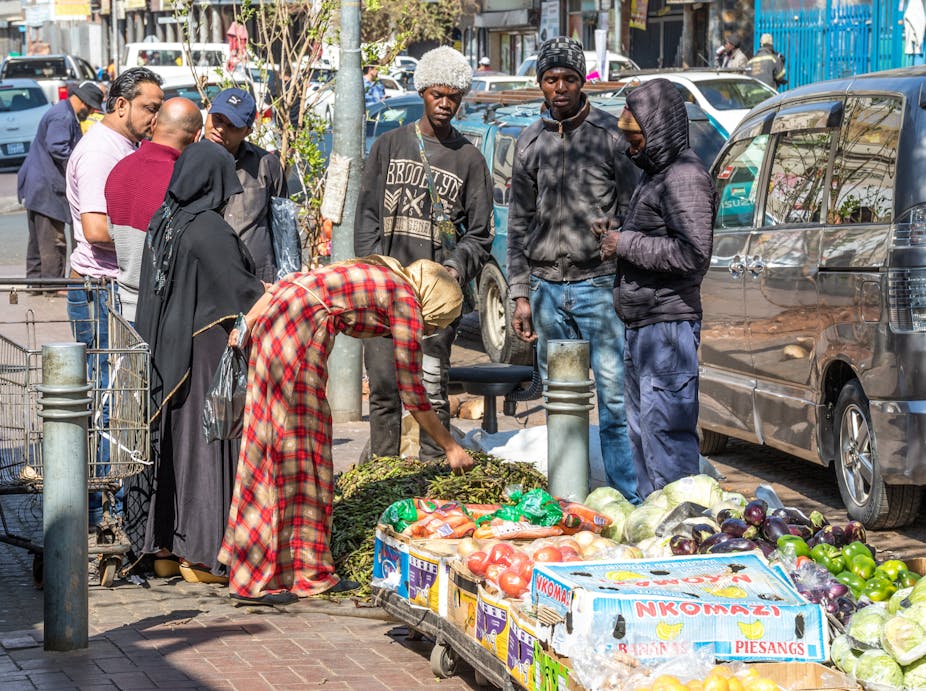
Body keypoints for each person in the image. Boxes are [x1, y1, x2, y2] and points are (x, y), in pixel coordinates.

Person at [219, 256, 473, 605]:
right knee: (298, 453)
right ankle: (281, 578)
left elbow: (290, 281)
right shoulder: (405, 299)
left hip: (277, 322)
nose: (428, 328)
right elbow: (412, 391)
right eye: (433, 323)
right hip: (297, 334)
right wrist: (450, 446)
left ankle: (263, 567)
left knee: (268, 445)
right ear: (432, 302)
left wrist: (247, 323)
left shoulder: (383, 272)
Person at [506, 36, 640, 503]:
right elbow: (518, 224)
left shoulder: (610, 137)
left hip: (598, 287)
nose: (559, 87)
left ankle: (627, 498)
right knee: (562, 403)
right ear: (540, 83)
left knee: (614, 398)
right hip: (544, 290)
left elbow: (635, 209)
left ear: (583, 82)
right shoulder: (529, 142)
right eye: (550, 79)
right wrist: (519, 293)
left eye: (568, 79)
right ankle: (568, 497)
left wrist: (614, 236)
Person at [134, 140, 265, 583]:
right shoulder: (208, 228)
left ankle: (165, 548)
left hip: (165, 352)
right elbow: (243, 290)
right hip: (205, 351)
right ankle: (203, 554)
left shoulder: (164, 219)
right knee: (205, 448)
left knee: (170, 445)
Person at [354, 45, 493, 461]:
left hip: (434, 308)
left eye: (453, 96)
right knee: (382, 392)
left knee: (432, 395)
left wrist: (451, 270)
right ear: (422, 92)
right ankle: (382, 476)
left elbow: (482, 235)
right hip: (384, 297)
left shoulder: (469, 159)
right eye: (438, 94)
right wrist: (373, 274)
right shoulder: (388, 145)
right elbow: (366, 219)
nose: (445, 104)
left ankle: (434, 479)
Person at [602, 78, 717, 498]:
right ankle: (657, 538)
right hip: (643, 327)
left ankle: (682, 539)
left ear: (660, 128)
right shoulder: (657, 174)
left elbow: (692, 254)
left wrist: (625, 243)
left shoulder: (685, 177)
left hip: (667, 331)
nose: (630, 147)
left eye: (636, 137)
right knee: (644, 439)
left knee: (667, 441)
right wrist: (620, 240)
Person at [65, 66, 163, 527]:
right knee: (107, 402)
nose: (154, 116)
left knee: (114, 400)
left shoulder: (126, 146)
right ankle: (105, 513)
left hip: (112, 286)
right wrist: (156, 238)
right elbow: (95, 227)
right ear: (121, 104)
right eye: (149, 107)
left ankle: (105, 509)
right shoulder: (102, 151)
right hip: (99, 289)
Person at [105, 97, 204, 324]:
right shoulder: (184, 180)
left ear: (154, 124)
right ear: (197, 136)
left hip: (124, 309)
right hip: (165, 313)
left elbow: (112, 234)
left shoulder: (119, 170)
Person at [17, 80, 104, 286]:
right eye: (91, 108)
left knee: (38, 239)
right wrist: (79, 167)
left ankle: (36, 282)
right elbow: (58, 147)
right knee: (52, 238)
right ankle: (53, 285)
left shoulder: (64, 112)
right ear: (83, 102)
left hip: (38, 183)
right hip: (45, 186)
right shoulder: (62, 116)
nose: (91, 113)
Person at [204, 87, 286, 283]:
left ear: (248, 131)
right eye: (218, 119)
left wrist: (287, 281)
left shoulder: (266, 164)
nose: (221, 128)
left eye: (233, 126)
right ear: (207, 111)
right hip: (206, 277)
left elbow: (284, 227)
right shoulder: (187, 160)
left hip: (257, 280)